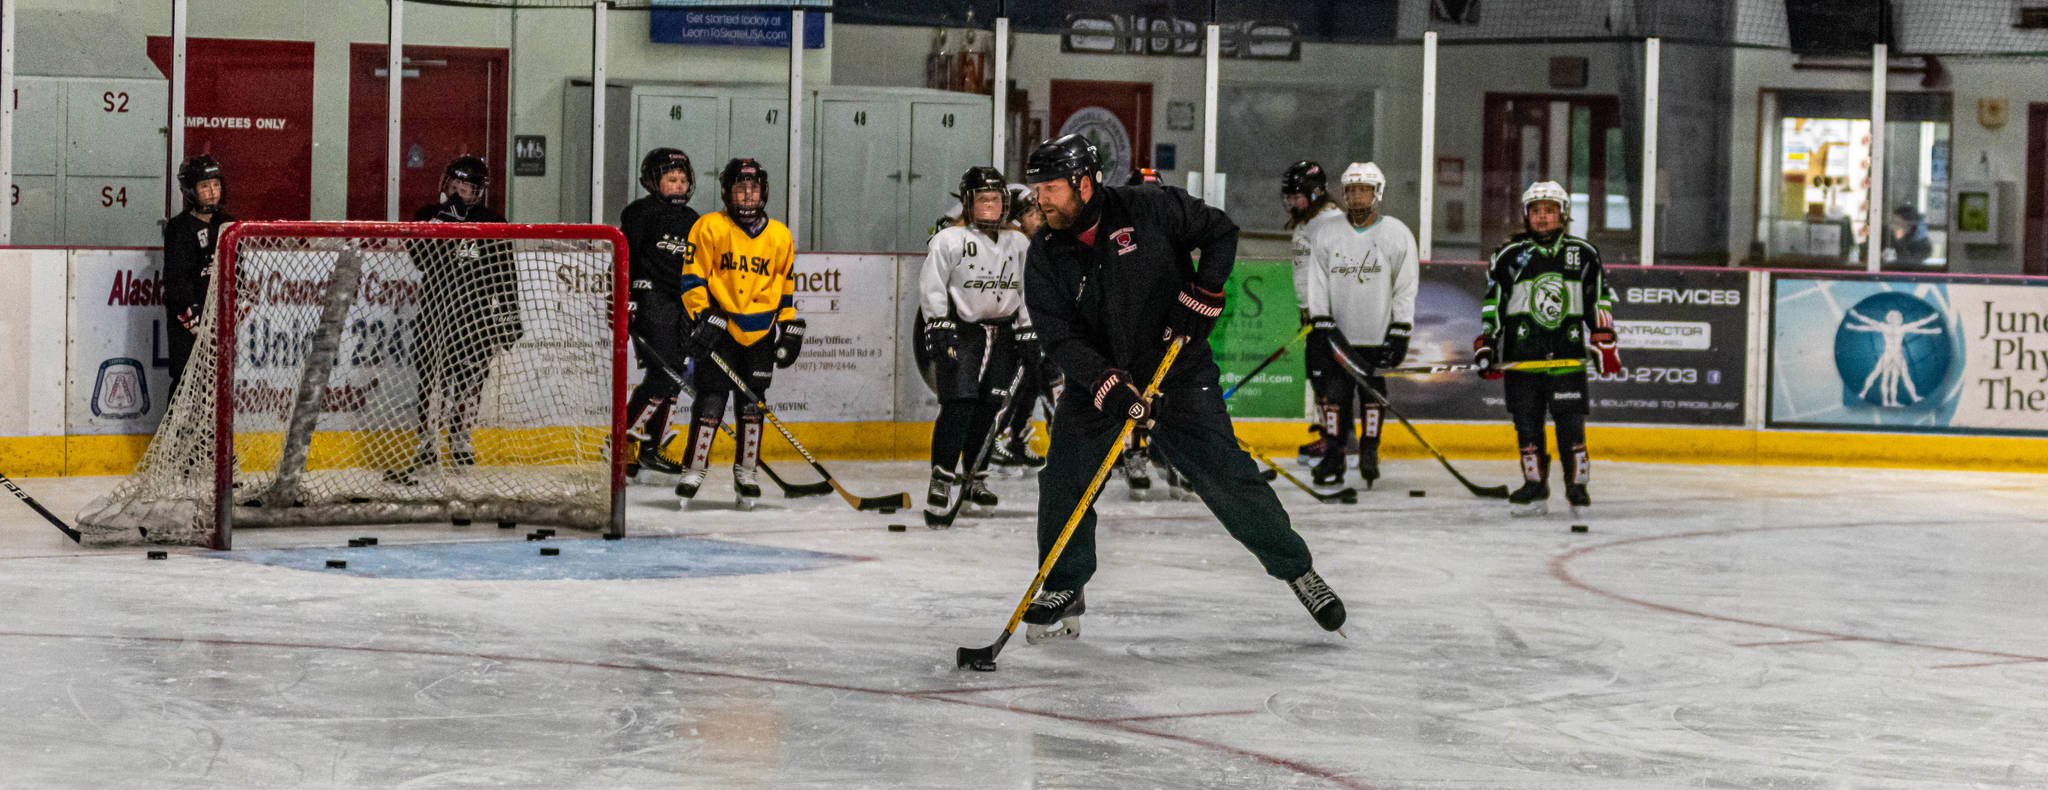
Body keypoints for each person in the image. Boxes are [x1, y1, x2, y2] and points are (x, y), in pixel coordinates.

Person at [1018, 133, 1346, 643]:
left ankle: (1296, 568)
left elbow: (1220, 232)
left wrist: (1205, 292)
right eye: (1038, 189)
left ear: (1085, 183)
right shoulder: (1044, 253)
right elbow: (1058, 335)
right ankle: (1065, 585)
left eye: (1052, 189)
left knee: (1227, 476)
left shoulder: (1150, 207)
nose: (1041, 200)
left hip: (1178, 370)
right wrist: (1106, 383)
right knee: (1064, 477)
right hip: (1102, 380)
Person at [1475, 180, 1620, 518]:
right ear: (1527, 215)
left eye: (1550, 211)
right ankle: (1534, 484)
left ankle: (1577, 484)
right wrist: (1487, 342)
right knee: (1526, 425)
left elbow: (1598, 298)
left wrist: (1603, 336)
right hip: (1522, 360)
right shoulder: (1508, 256)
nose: (1542, 218)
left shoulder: (1584, 253)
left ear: (1562, 214)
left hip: (1567, 359)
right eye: (1536, 211)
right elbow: (1493, 303)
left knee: (1571, 425)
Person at [675, 158, 802, 511]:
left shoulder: (779, 235)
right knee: (711, 402)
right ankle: (694, 468)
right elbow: (692, 278)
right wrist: (704, 316)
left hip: (760, 333)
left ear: (764, 191)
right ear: (726, 192)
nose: (748, 195)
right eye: (740, 188)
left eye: (754, 188)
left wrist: (790, 326)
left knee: (751, 406)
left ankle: (746, 473)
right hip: (721, 330)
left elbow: (786, 286)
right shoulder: (708, 227)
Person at [389, 155, 520, 484]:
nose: (461, 191)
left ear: (480, 191)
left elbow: (504, 272)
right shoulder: (428, 216)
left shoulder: (493, 221)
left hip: (476, 314)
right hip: (435, 310)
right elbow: (421, 261)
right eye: (457, 184)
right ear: (447, 183)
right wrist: (442, 228)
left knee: (470, 382)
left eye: (468, 186)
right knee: (430, 381)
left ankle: (461, 441)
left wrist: (509, 312)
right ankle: (426, 442)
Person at [918, 167, 1032, 527]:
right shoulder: (950, 240)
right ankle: (942, 479)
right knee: (958, 406)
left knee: (989, 408)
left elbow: (1028, 290)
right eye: (983, 199)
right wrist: (937, 321)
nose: (990, 206)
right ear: (968, 202)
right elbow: (932, 284)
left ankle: (975, 478)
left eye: (996, 199)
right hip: (964, 333)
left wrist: (1028, 330)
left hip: (1004, 335)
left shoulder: (1019, 243)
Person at [1299, 162, 1418, 488]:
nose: (1357, 196)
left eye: (1364, 190)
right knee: (1334, 397)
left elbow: (1405, 285)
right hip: (1337, 336)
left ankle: (1369, 449)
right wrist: (1322, 322)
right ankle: (1335, 455)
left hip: (1377, 334)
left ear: (1376, 193)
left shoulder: (1396, 233)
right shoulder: (1327, 232)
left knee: (1372, 395)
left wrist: (1400, 329)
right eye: (1351, 190)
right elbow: (1317, 281)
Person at [619, 148, 703, 484]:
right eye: (672, 179)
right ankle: (623, 443)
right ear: (655, 181)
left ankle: (646, 448)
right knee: (664, 371)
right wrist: (629, 301)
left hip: (683, 304)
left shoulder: (693, 218)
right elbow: (627, 257)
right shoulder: (640, 213)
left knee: (675, 372)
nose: (679, 185)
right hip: (652, 299)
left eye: (683, 180)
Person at [1280, 160, 1344, 466]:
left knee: (1332, 384)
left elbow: (1341, 273)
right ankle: (1331, 439)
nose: (1292, 203)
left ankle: (1339, 444)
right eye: (1289, 197)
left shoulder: (1332, 224)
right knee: (1320, 381)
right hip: (1314, 317)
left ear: (1315, 193)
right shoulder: (1308, 222)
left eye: (1297, 196)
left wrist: (1325, 310)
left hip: (1332, 319)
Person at [989, 187, 1054, 473]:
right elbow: (1016, 293)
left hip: (1034, 331)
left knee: (1031, 387)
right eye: (1030, 213)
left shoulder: (1034, 244)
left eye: (1038, 211)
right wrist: (1024, 326)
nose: (1038, 218)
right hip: (1012, 333)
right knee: (1010, 389)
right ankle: (992, 439)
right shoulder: (1013, 246)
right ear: (1016, 218)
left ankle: (1015, 439)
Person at [162, 155, 237, 396]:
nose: (212, 192)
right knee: (186, 381)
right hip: (187, 324)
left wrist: (239, 302)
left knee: (217, 385)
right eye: (205, 186)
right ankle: (178, 434)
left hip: (219, 319)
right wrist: (190, 318)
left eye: (215, 184)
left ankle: (211, 436)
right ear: (190, 191)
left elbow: (239, 271)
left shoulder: (229, 225)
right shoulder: (178, 228)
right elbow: (176, 279)